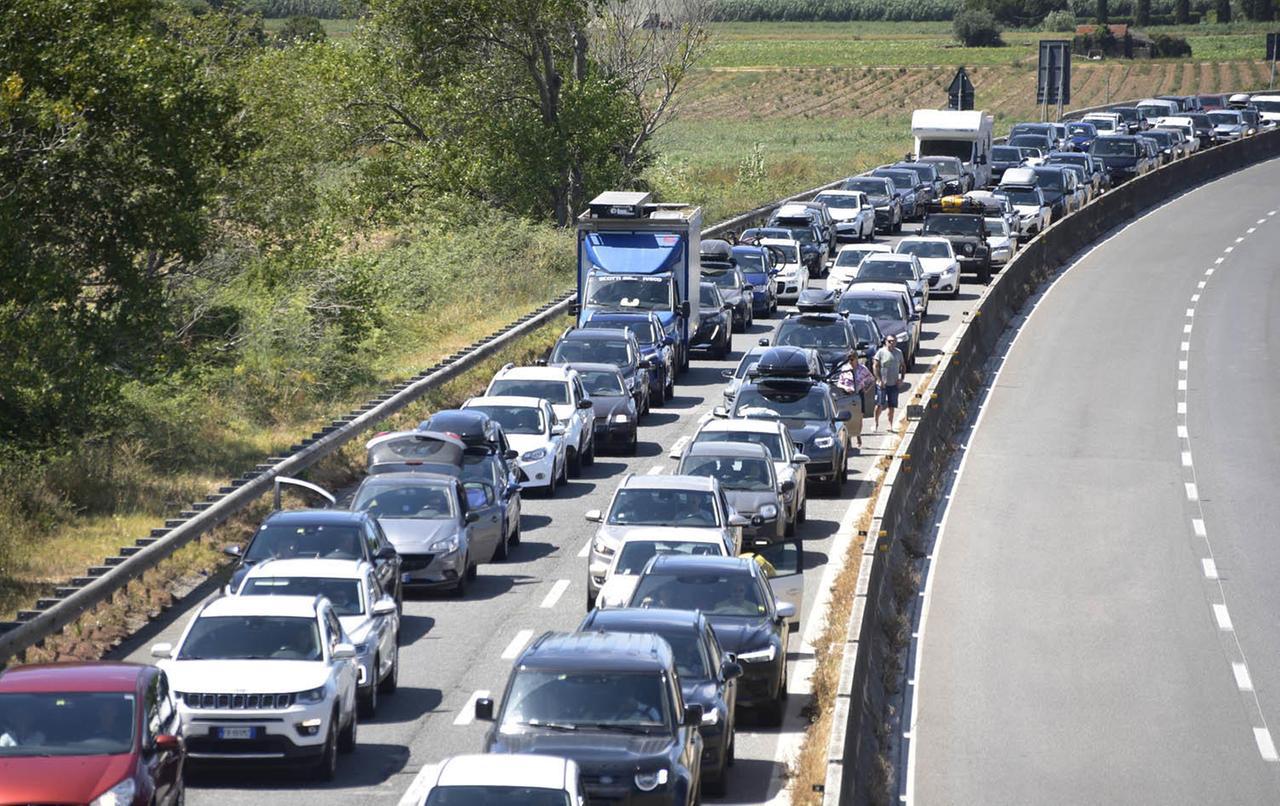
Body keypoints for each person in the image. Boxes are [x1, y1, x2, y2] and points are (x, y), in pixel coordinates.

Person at [873, 334, 905, 431]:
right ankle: (876, 423)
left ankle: (890, 424)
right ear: (886, 342)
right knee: (879, 404)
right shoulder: (881, 352)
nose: (892, 343)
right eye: (889, 341)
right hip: (882, 384)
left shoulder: (898, 352)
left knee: (892, 406)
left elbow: (903, 366)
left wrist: (901, 379)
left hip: (894, 384)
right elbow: (875, 366)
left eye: (894, 341)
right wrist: (879, 380)